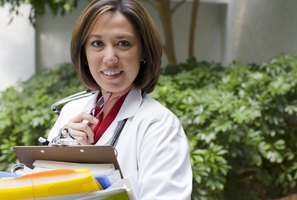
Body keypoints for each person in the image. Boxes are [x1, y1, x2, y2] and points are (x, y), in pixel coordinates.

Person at [47, 0, 192, 199]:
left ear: (143, 52)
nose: (110, 58)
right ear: (84, 53)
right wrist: (60, 150)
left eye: (123, 43)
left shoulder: (159, 126)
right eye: (97, 43)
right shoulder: (71, 112)